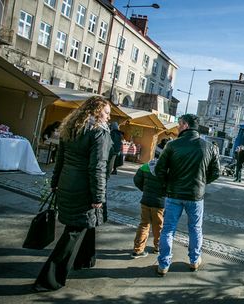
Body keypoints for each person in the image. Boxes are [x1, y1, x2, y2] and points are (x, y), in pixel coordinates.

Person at [33, 96, 112, 291]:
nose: (108, 117)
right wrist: (98, 196)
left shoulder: (72, 128)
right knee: (75, 230)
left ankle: (85, 259)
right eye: (106, 112)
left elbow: (60, 158)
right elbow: (97, 168)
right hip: (83, 187)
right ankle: (49, 278)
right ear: (96, 111)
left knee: (85, 224)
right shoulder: (98, 133)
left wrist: (55, 182)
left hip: (66, 182)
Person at [154, 114, 220, 276]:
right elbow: (216, 172)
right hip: (195, 195)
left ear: (185, 125)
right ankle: (194, 260)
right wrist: (202, 182)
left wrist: (168, 184)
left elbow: (159, 170)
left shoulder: (172, 145)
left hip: (174, 194)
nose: (177, 127)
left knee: (168, 229)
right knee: (195, 229)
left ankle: (163, 264)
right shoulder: (209, 147)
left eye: (179, 124)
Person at [131, 158, 165, 258]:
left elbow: (136, 180)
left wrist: (145, 190)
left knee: (144, 224)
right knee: (158, 226)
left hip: (145, 200)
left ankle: (138, 250)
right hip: (160, 203)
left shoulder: (146, 166)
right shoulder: (167, 168)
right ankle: (157, 247)